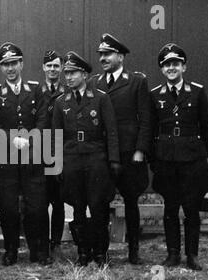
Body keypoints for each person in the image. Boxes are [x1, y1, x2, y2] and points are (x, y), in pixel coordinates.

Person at [53, 51, 120, 267]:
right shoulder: (61, 102)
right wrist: (57, 164)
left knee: (98, 206)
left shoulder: (101, 98)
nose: (69, 77)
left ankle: (100, 253)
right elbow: (56, 136)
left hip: (95, 159)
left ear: (84, 74)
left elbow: (111, 132)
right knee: (78, 207)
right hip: (72, 160)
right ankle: (82, 252)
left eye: (73, 73)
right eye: (67, 73)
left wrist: (113, 161)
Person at [150, 43, 208, 271]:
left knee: (191, 208)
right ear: (162, 69)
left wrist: (207, 157)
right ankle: (173, 254)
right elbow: (150, 128)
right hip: (166, 160)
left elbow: (207, 127)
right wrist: (153, 161)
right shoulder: (155, 95)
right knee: (170, 208)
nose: (171, 68)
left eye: (176, 64)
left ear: (184, 67)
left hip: (192, 159)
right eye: (167, 65)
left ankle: (192, 255)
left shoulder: (197, 91)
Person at [90, 33, 152, 264]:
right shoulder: (94, 83)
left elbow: (146, 120)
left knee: (131, 201)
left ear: (120, 56)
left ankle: (134, 250)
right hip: (103, 153)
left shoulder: (136, 81)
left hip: (128, 153)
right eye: (101, 55)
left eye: (108, 54)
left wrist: (140, 150)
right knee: (100, 202)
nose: (103, 58)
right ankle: (102, 251)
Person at [0, 42, 52, 266]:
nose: (10, 68)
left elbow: (44, 119)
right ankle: (11, 250)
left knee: (36, 206)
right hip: (7, 158)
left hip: (33, 157)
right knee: (8, 207)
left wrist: (30, 138)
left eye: (14, 63)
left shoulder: (36, 90)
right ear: (1, 67)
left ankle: (39, 251)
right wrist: (10, 138)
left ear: (22, 64)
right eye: (6, 64)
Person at [41, 50, 66, 259]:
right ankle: (41, 243)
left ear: (62, 68)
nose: (52, 70)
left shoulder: (66, 92)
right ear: (43, 68)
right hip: (39, 151)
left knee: (58, 201)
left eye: (56, 66)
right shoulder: (36, 92)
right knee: (40, 200)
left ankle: (56, 242)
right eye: (49, 66)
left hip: (58, 151)